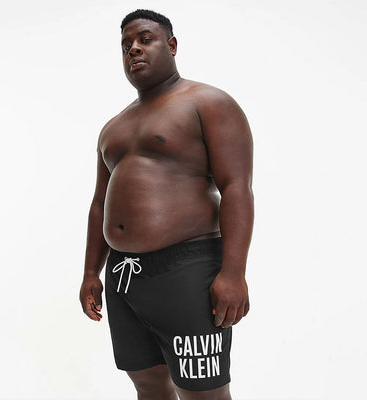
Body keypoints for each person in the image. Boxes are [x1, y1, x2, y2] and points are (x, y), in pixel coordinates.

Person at [79, 9, 254, 400]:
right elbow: (99, 204)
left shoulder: (208, 102)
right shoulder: (113, 127)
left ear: (171, 45)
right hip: (124, 276)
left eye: (145, 39)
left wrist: (234, 273)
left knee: (203, 392)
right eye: (126, 45)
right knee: (148, 385)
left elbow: (236, 187)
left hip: (187, 269)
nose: (134, 49)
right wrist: (91, 271)